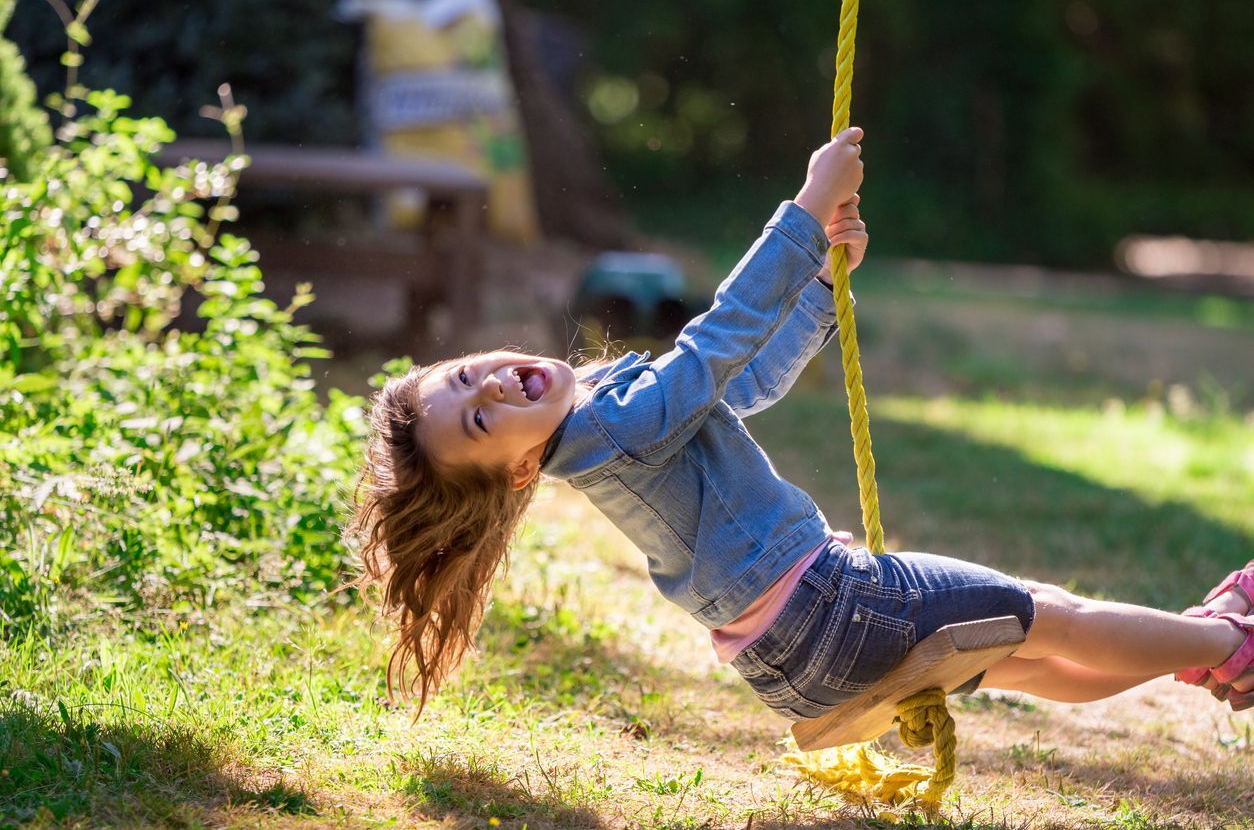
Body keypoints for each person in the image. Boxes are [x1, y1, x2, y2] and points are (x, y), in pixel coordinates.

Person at [345, 127, 1254, 720]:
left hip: (795, 668)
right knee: (1056, 618)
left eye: (472, 376)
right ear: (511, 473)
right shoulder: (612, 426)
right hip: (835, 616)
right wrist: (805, 210)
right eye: (477, 420)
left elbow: (740, 387)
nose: (496, 388)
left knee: (1043, 664)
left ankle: (1208, 652)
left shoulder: (607, 427)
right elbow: (717, 343)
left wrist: (819, 288)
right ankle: (1230, 642)